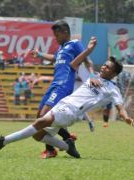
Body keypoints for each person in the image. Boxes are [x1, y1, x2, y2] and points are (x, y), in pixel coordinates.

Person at [0, 51, 134, 159]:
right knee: (38, 135)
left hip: (71, 111)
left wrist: (127, 118)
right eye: (104, 65)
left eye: (108, 67)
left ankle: (3, 141)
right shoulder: (93, 76)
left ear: (114, 73)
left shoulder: (112, 89)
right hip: (64, 104)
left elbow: (120, 108)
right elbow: (73, 64)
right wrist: (91, 74)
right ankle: (67, 146)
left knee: (40, 122)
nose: (103, 68)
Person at [30, 20, 97, 159]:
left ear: (65, 33)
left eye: (57, 35)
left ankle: (53, 148)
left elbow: (87, 60)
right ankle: (66, 139)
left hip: (64, 84)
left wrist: (91, 75)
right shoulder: (61, 48)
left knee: (45, 115)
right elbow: (54, 58)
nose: (56, 38)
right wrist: (40, 54)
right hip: (54, 84)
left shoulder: (75, 44)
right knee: (39, 116)